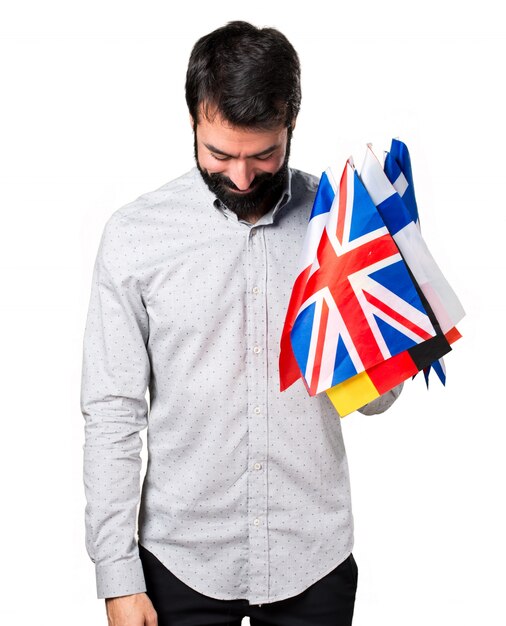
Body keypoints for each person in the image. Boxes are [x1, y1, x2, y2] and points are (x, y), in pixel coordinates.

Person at [80, 20, 403, 626]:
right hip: (179, 563)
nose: (242, 177)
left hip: (314, 557)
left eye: (264, 155)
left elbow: (375, 403)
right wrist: (116, 577)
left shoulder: (339, 227)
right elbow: (112, 414)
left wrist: (386, 299)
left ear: (291, 126)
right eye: (220, 154)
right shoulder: (134, 237)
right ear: (194, 124)